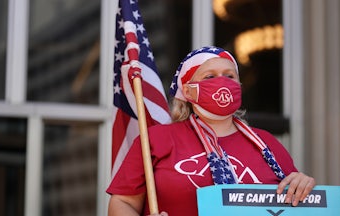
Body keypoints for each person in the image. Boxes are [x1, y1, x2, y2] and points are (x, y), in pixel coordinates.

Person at [106, 46, 315, 216]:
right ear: (187, 91)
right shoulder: (156, 139)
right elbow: (122, 202)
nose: (222, 82)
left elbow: (294, 201)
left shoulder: (267, 142)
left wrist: (302, 184)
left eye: (229, 76)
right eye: (209, 77)